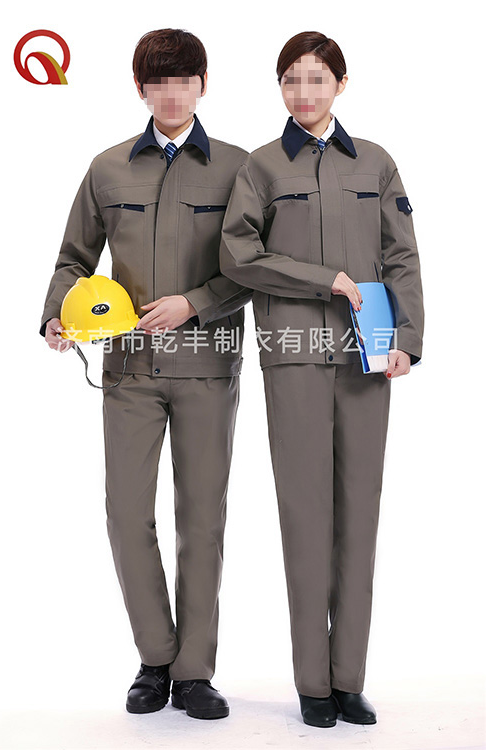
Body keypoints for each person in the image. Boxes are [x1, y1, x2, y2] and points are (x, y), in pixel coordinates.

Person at [39, 28, 252, 721]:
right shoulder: (107, 169)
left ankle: (194, 673)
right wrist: (56, 315)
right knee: (127, 515)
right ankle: (155, 658)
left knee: (202, 520)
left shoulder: (239, 169)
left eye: (184, 79)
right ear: (140, 88)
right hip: (129, 369)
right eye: (158, 81)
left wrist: (195, 302)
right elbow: (74, 258)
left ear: (203, 84)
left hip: (208, 367)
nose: (172, 93)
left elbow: (255, 268)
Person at [219, 31, 424, 728]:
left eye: (316, 79)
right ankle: (312, 682)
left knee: (359, 516)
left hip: (368, 355)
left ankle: (348, 679)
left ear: (341, 83)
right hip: (295, 355)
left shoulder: (376, 162)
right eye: (290, 80)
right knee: (306, 517)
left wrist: (407, 341)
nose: (302, 93)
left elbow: (401, 257)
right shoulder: (261, 166)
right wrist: (322, 279)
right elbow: (239, 255)